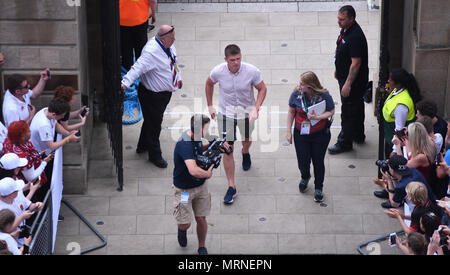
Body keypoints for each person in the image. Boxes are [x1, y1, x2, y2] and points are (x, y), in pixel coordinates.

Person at [205, 44, 267, 204]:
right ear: (226, 59)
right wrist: (210, 105)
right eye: (232, 60)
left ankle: (245, 152)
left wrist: (256, 108)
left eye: (238, 58)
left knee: (247, 139)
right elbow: (209, 83)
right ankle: (231, 186)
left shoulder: (251, 71)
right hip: (226, 114)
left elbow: (262, 89)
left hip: (246, 114)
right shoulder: (218, 71)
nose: (236, 62)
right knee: (227, 149)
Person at [121, 25, 182, 168]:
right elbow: (137, 68)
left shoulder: (168, 46)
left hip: (163, 94)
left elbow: (173, 62)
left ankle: (142, 146)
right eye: (172, 38)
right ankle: (155, 155)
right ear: (162, 38)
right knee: (155, 125)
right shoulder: (151, 52)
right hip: (152, 96)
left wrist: (178, 78)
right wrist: (124, 85)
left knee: (150, 120)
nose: (174, 40)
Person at [286, 72, 335, 202]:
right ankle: (305, 176)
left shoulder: (324, 95)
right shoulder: (296, 94)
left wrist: (317, 117)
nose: (299, 86)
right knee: (303, 161)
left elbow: (331, 111)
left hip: (320, 135)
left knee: (318, 161)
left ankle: (319, 187)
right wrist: (288, 131)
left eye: (302, 84)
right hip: (301, 133)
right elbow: (291, 111)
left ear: (310, 86)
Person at [328, 5, 369, 154]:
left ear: (351, 19)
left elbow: (356, 63)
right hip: (345, 76)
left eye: (342, 19)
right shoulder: (346, 30)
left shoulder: (355, 37)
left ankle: (345, 142)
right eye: (338, 18)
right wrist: (337, 69)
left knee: (349, 110)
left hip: (353, 82)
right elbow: (341, 51)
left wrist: (347, 84)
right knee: (357, 106)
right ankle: (358, 134)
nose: (339, 21)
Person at [172, 114, 215, 255]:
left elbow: (197, 150)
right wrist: (208, 174)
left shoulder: (195, 137)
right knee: (186, 223)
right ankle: (182, 229)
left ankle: (201, 246)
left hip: (201, 188)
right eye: (206, 129)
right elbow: (193, 170)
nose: (207, 132)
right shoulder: (184, 144)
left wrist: (212, 145)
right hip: (184, 191)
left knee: (201, 218)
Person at [2, 121, 54, 202]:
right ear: (22, 136)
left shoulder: (9, 141)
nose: (30, 131)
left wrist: (38, 155)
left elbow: (30, 155)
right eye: (28, 131)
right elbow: (31, 177)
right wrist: (44, 162)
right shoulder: (23, 156)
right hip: (29, 188)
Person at [0, 177, 43, 247]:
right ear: (11, 195)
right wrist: (22, 217)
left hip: (24, 238)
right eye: (17, 190)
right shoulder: (1, 208)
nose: (20, 190)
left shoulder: (18, 195)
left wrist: (37, 206)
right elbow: (7, 230)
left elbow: (28, 205)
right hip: (12, 245)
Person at [120, 0, 158, 71]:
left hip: (122, 21)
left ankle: (127, 74)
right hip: (140, 20)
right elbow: (153, 1)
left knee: (126, 50)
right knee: (141, 49)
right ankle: (141, 75)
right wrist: (153, 13)